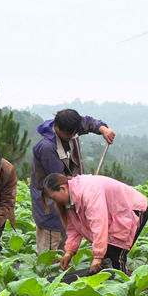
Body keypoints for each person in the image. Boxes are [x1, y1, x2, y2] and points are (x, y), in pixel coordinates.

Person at [31, 109, 116, 254]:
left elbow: (88, 122)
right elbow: (59, 179)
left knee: (68, 240)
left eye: (74, 133)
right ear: (57, 128)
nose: (72, 136)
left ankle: (63, 273)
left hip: (70, 197)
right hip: (52, 201)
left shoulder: (71, 127)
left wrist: (103, 129)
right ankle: (48, 276)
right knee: (50, 250)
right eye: (68, 135)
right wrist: (87, 183)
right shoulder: (47, 147)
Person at [41, 173, 148, 274]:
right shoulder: (70, 200)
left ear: (63, 188)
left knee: (116, 256)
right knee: (107, 258)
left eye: (54, 198)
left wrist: (97, 257)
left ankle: (121, 288)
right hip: (114, 216)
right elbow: (74, 228)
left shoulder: (88, 191)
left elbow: (98, 223)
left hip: (131, 210)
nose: (55, 202)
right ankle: (112, 285)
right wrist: (69, 252)